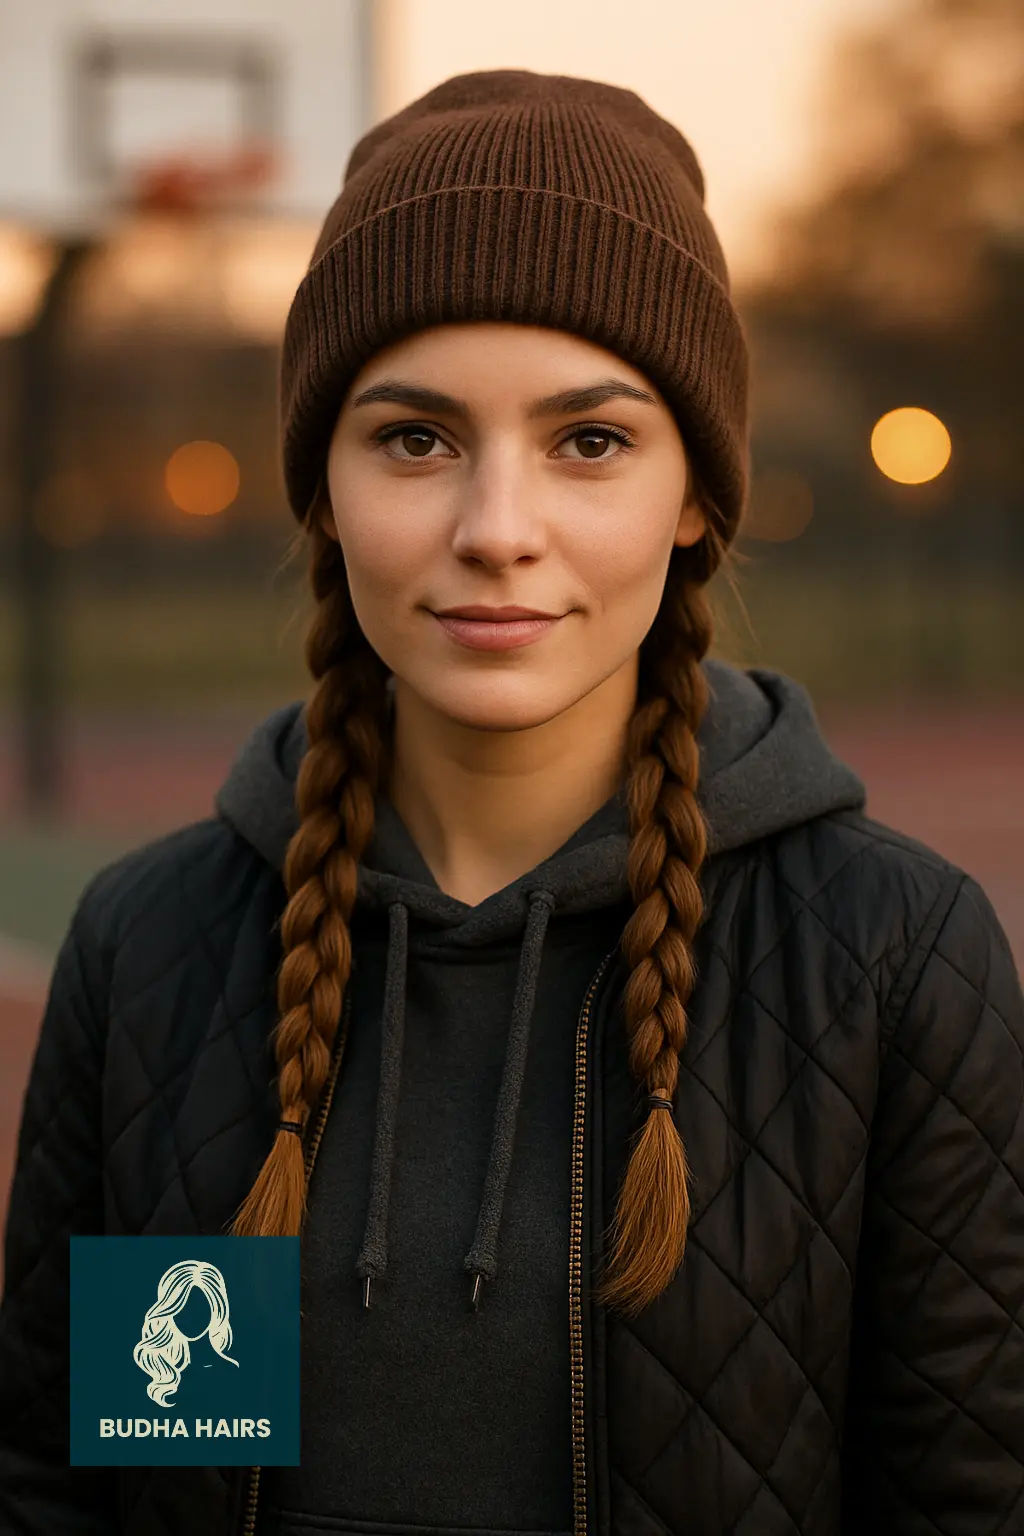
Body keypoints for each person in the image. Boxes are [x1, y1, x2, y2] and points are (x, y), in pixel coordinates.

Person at [0, 67, 1021, 1536]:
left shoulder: (893, 957)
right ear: (324, 486)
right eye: (413, 438)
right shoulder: (155, 948)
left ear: (693, 497)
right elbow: (81, 1482)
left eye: (588, 441)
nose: (496, 530)